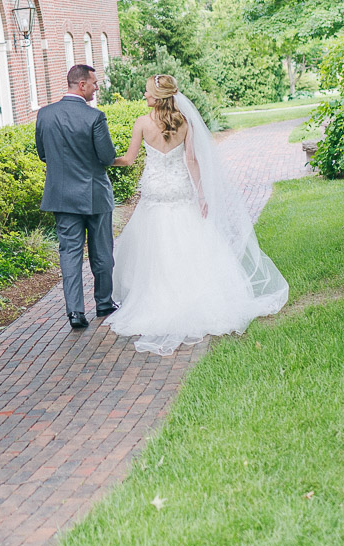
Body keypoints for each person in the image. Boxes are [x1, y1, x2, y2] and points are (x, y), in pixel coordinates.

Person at [107, 74, 288, 354]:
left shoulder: (142, 123)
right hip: (179, 189)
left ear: (157, 96)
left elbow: (129, 159)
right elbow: (191, 160)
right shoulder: (184, 122)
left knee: (156, 246)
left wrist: (104, 161)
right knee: (189, 240)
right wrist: (201, 195)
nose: (144, 96)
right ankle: (196, 296)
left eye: (146, 92)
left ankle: (161, 301)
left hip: (155, 192)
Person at [35, 64, 117, 330]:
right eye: (94, 83)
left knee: (69, 253)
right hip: (94, 195)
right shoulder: (95, 117)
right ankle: (104, 303)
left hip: (62, 196)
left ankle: (75, 313)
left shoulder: (45, 115)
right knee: (101, 251)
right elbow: (106, 157)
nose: (96, 88)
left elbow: (43, 154)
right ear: (81, 85)